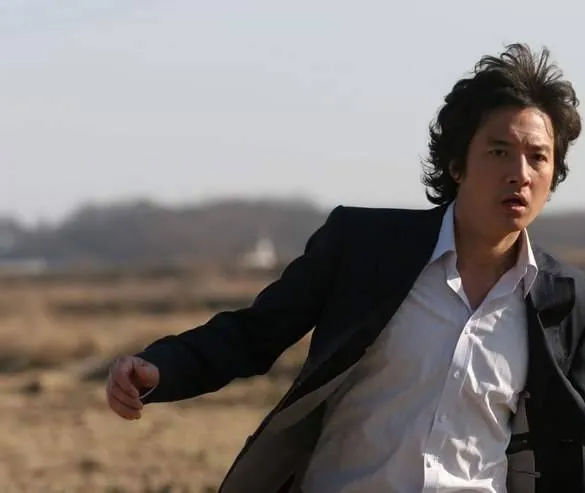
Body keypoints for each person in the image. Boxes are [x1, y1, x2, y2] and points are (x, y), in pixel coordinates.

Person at [106, 42, 585, 493]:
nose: (520, 174)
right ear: (458, 164)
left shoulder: (565, 301)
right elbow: (255, 334)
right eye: (499, 151)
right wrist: (161, 368)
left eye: (538, 157)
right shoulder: (365, 247)